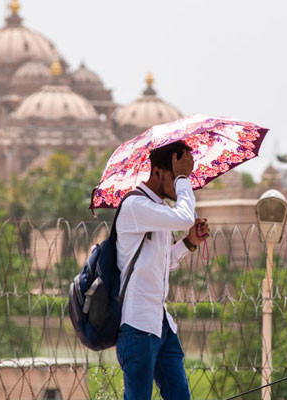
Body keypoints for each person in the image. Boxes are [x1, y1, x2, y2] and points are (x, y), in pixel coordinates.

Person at [115, 141, 209, 400]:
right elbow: (184, 218)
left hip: (161, 324)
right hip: (138, 326)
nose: (181, 184)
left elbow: (163, 263)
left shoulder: (156, 210)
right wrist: (182, 177)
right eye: (176, 174)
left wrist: (189, 242)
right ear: (157, 172)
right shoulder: (136, 207)